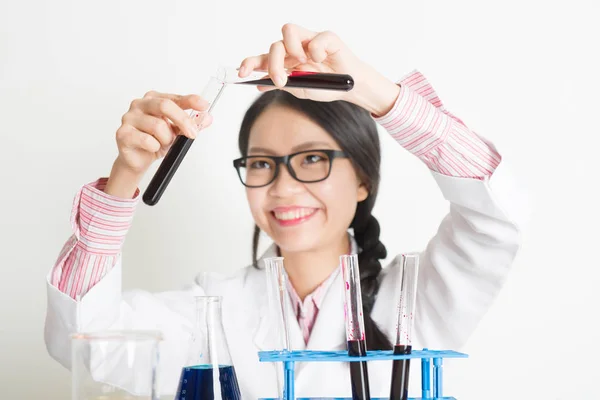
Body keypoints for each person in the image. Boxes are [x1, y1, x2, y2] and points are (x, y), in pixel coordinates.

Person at [44, 24, 527, 398]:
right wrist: (126, 174)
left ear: (363, 180)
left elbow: (493, 218)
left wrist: (375, 92)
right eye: (261, 163)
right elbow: (85, 345)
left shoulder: (414, 301)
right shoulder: (213, 312)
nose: (283, 187)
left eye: (312, 159)